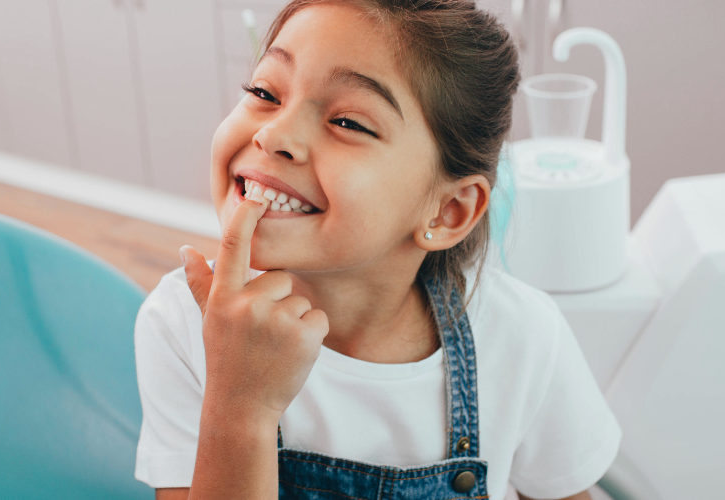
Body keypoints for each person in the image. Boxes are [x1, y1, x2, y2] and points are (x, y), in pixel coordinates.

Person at [133, 1, 621, 498]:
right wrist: (239, 408)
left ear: (447, 212)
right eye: (264, 91)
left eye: (348, 122)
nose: (273, 133)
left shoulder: (524, 339)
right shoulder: (183, 323)